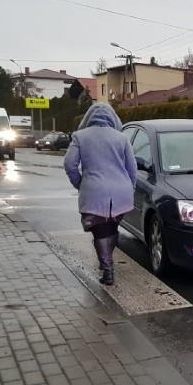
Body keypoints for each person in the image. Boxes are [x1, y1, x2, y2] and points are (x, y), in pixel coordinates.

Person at [63, 103, 137, 285]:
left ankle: (108, 269)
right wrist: (130, 189)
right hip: (121, 194)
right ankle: (107, 263)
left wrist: (79, 183)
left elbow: (69, 164)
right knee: (111, 228)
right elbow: (132, 169)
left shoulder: (80, 137)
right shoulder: (122, 138)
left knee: (100, 231)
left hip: (94, 193)